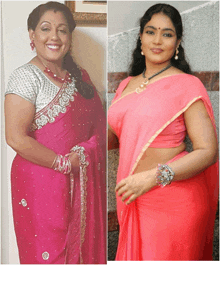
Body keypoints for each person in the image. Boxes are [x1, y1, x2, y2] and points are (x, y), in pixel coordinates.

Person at [108, 3, 218, 261]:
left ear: (178, 41)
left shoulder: (187, 85)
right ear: (140, 37)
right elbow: (113, 138)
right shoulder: (126, 85)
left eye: (167, 34)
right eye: (151, 31)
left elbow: (208, 151)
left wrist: (153, 177)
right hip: (132, 195)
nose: (157, 41)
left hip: (172, 201)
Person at [5, 1, 106, 264]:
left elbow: (100, 127)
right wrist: (62, 163)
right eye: (46, 28)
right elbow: (15, 137)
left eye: (62, 30)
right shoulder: (25, 77)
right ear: (32, 34)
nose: (54, 37)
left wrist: (82, 157)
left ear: (70, 37)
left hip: (79, 183)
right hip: (40, 186)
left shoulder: (79, 76)